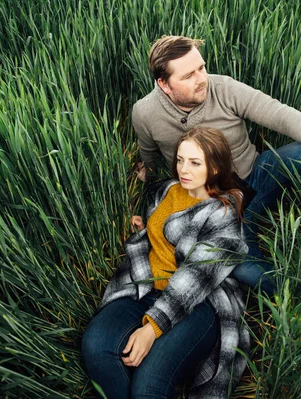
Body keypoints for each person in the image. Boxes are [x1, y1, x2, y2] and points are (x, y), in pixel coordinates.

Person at [132, 35, 301, 292]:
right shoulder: (145, 113)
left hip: (255, 174)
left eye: (202, 68)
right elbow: (152, 164)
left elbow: (279, 114)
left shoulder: (224, 88)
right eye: (188, 76)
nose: (201, 79)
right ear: (164, 84)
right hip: (217, 205)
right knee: (243, 267)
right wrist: (148, 206)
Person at [82, 127, 250, 398]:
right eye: (181, 159)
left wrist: (152, 329)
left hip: (197, 303)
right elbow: (162, 224)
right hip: (147, 286)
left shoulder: (223, 214)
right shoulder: (171, 189)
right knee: (96, 346)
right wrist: (144, 228)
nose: (184, 169)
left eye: (195, 163)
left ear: (216, 168)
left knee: (149, 383)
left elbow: (195, 278)